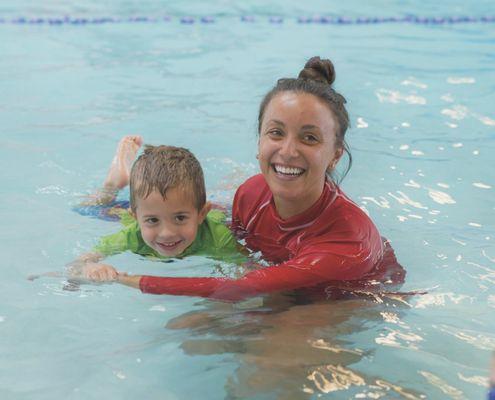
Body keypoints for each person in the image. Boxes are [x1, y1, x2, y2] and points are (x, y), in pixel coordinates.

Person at [109, 56, 404, 301]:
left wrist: (123, 279)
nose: (287, 151)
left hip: (349, 300)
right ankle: (113, 187)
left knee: (267, 360)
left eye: (310, 138)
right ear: (259, 141)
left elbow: (240, 287)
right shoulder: (250, 194)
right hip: (279, 284)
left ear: (335, 155)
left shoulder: (347, 242)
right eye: (276, 133)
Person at [68, 139, 240, 281]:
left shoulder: (218, 238)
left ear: (202, 214)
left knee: (228, 197)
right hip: (139, 207)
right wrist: (89, 268)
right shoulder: (132, 235)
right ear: (135, 218)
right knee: (88, 208)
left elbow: (247, 269)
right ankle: (113, 183)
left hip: (218, 209)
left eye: (180, 218)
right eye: (153, 220)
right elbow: (77, 265)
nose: (166, 233)